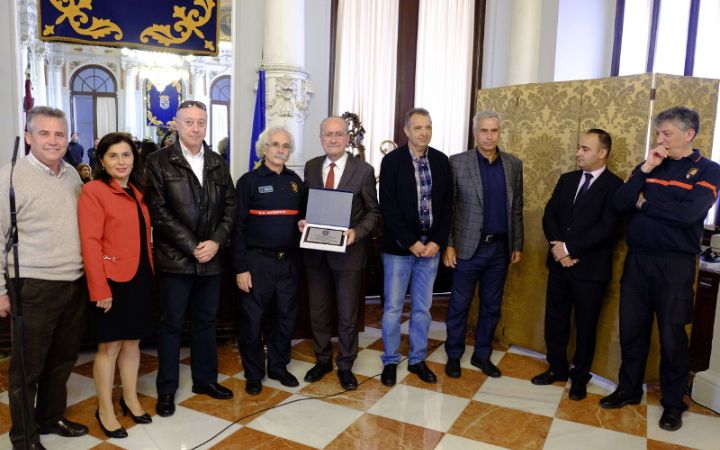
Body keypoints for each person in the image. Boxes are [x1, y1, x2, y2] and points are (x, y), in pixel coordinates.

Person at [600, 107, 720, 431]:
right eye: (658, 133)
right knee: (632, 330)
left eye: (666, 133)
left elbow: (687, 214)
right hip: (638, 261)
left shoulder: (708, 170)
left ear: (688, 134)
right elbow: (620, 201)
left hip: (675, 266)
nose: (660, 139)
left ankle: (672, 403)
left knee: (672, 337)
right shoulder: (651, 165)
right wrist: (645, 168)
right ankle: (628, 389)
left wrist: (645, 204)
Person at [0, 106, 89, 449]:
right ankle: (24, 437)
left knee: (62, 361)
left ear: (68, 138)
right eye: (44, 133)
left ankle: (51, 418)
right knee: (27, 370)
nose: (53, 141)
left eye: (59, 134)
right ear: (28, 137)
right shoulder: (9, 177)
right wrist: (1, 292)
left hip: (73, 283)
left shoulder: (72, 176)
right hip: (33, 286)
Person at [145, 100, 236, 417]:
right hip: (175, 259)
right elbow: (159, 212)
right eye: (189, 122)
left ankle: (205, 381)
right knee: (171, 325)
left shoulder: (217, 162)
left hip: (211, 258)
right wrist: (193, 245)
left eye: (201, 122)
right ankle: (166, 390)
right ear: (177, 125)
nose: (196, 128)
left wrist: (216, 241)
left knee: (206, 323)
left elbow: (230, 207)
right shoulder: (158, 162)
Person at [531, 129, 623, 401]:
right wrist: (559, 249)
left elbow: (608, 229)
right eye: (579, 148)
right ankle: (557, 368)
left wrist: (570, 249)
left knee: (585, 326)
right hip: (559, 264)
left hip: (590, 270)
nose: (578, 153)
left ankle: (580, 376)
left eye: (585, 149)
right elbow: (550, 215)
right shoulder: (567, 179)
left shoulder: (615, 186)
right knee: (555, 320)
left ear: (602, 153)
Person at [78, 133, 154, 439]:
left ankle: (131, 398)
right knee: (109, 347)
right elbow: (90, 242)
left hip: (139, 276)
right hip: (110, 280)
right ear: (101, 161)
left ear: (134, 158)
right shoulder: (93, 191)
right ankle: (105, 408)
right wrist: (100, 289)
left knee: (133, 342)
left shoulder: (138, 190)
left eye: (126, 155)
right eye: (113, 156)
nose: (121, 162)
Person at [301, 116, 380, 390]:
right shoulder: (311, 167)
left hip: (348, 254)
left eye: (338, 134)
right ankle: (322, 360)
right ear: (321, 137)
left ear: (347, 138)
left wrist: (357, 232)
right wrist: (303, 221)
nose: (333, 139)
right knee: (319, 311)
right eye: (327, 135)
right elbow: (307, 205)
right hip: (316, 254)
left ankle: (345, 365)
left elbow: (373, 211)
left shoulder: (364, 170)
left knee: (347, 314)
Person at [443, 110, 523, 379]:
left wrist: (518, 244)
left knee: (491, 306)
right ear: (475, 133)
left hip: (499, 249)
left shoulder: (513, 164)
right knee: (459, 305)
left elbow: (516, 209)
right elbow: (449, 208)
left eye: (494, 131)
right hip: (467, 248)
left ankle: (482, 355)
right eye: (484, 131)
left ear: (500, 132)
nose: (489, 136)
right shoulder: (457, 163)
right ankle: (453, 355)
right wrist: (449, 245)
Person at [378, 108, 452, 386]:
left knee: (423, 308)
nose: (424, 133)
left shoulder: (442, 161)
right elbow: (388, 206)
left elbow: (447, 206)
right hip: (400, 248)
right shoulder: (393, 161)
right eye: (418, 128)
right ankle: (390, 359)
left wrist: (436, 242)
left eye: (428, 127)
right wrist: (410, 243)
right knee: (394, 309)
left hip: (430, 247)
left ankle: (418, 359)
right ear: (406, 130)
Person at [232, 126, 303, 395]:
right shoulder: (248, 182)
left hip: (288, 263)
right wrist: (241, 268)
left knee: (285, 318)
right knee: (252, 321)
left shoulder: (296, 181)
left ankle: (278, 367)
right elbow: (237, 228)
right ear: (263, 149)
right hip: (256, 263)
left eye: (285, 146)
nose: (280, 150)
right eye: (275, 145)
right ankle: (253, 373)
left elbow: (302, 220)